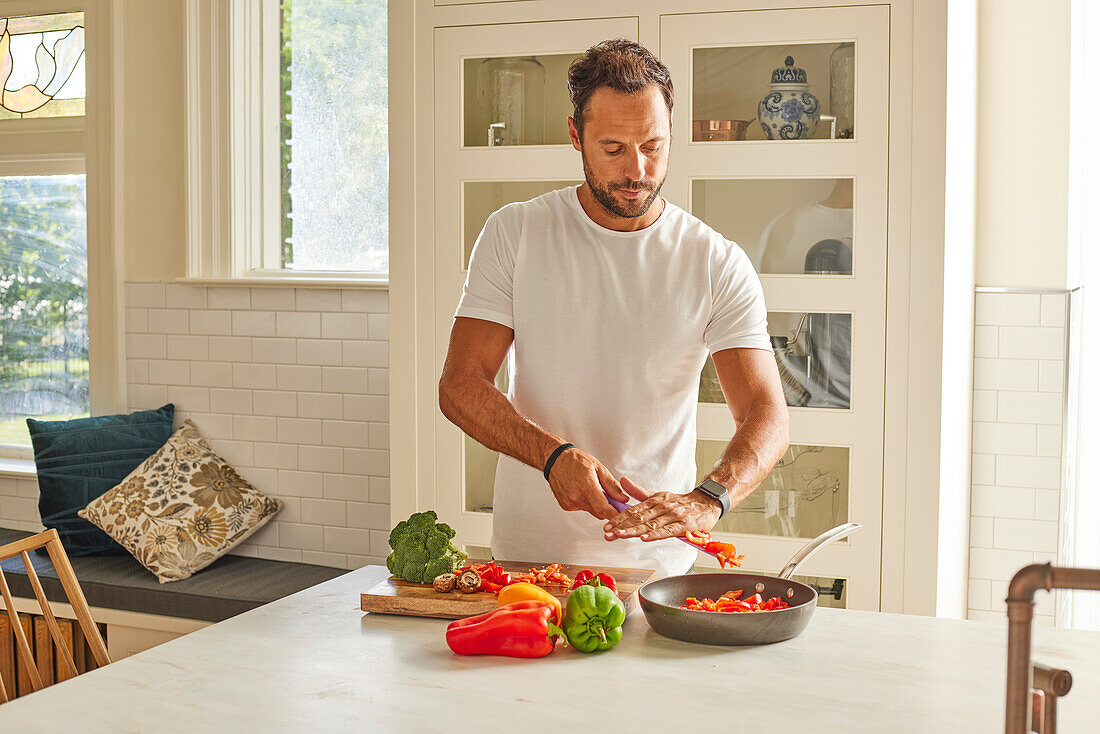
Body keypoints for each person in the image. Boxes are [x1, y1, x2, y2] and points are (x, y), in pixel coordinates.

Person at [438, 39, 790, 578]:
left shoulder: (716, 261)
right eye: (612, 148)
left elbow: (767, 414)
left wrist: (708, 499)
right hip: (531, 556)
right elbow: (460, 385)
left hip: (656, 565)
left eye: (653, 144)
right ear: (576, 135)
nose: (637, 170)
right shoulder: (515, 233)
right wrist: (553, 457)